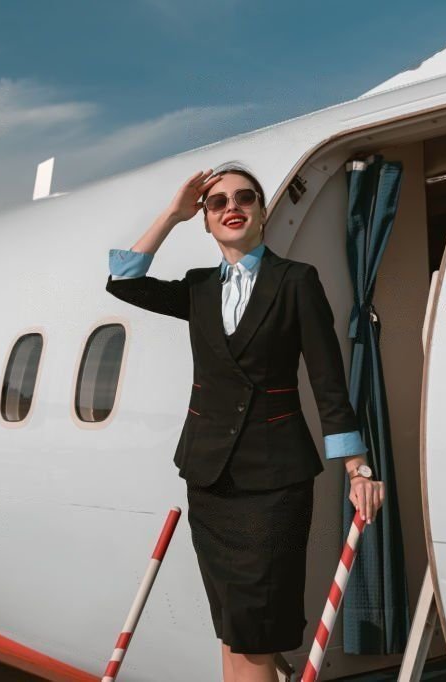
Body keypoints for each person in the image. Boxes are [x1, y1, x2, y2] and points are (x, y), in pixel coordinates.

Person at [105, 161, 385, 682]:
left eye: (245, 198)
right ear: (207, 221)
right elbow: (123, 281)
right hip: (210, 477)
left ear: (261, 214)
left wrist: (357, 467)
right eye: (218, 203)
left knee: (258, 630)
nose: (232, 207)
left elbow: (327, 381)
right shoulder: (198, 288)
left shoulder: (296, 281)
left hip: (275, 481)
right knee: (233, 629)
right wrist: (172, 213)